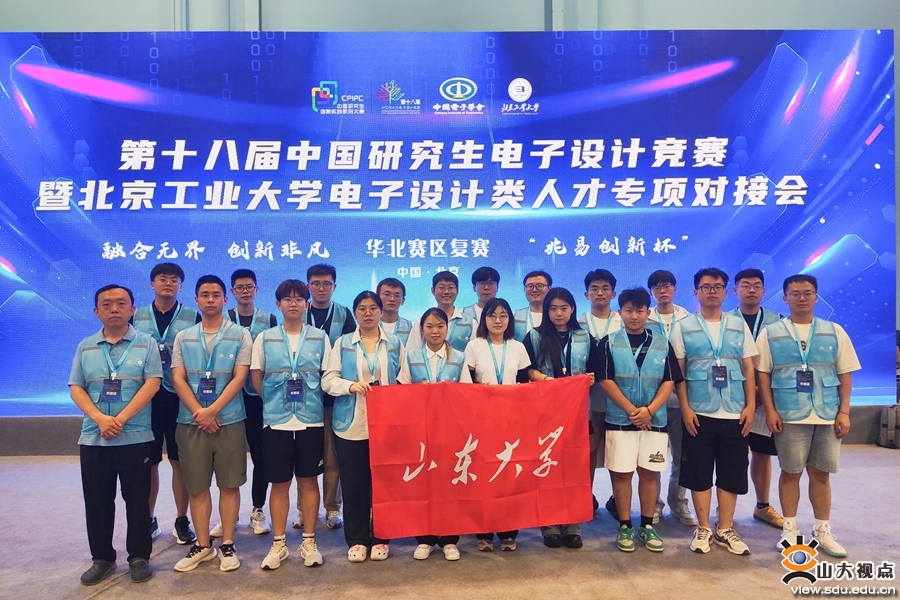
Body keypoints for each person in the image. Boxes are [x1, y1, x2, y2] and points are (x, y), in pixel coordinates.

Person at [757, 275, 860, 558]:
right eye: (795, 293)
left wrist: (844, 411)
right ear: (785, 298)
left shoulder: (834, 331)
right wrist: (771, 410)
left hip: (827, 414)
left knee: (821, 474)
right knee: (790, 473)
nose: (801, 298)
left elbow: (845, 372)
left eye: (807, 293)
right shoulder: (771, 333)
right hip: (789, 413)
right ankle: (790, 529)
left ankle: (822, 530)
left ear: (816, 297)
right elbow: (763, 374)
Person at [70, 285, 162, 586]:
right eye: (107, 304)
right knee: (97, 501)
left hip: (135, 437)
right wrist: (100, 419)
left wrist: (119, 419)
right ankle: (102, 558)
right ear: (96, 311)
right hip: (94, 437)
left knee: (137, 501)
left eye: (121, 303)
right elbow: (76, 387)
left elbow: (152, 384)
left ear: (132, 310)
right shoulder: (85, 346)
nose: (114, 309)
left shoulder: (146, 343)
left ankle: (139, 557)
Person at [670, 268, 757, 556]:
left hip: (734, 411)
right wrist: (685, 408)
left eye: (718, 287)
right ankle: (704, 527)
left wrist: (750, 406)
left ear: (726, 292)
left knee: (731, 472)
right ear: (696, 292)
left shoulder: (738, 325)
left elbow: (748, 368)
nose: (712, 291)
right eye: (706, 287)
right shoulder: (683, 327)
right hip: (699, 411)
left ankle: (725, 528)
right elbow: (679, 372)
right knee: (699, 472)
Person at [171, 275, 253, 572]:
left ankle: (227, 544)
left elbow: (240, 377)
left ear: (225, 299)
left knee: (229, 484)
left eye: (216, 295)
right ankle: (203, 545)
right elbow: (178, 378)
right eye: (204, 295)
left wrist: (213, 410)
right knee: (197, 487)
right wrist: (199, 412)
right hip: (191, 422)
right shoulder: (183, 336)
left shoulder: (241, 334)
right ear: (196, 300)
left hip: (229, 420)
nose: (210, 299)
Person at [250, 280, 330, 570]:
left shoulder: (320, 338)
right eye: (287, 299)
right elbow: (256, 377)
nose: (293, 303)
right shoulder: (265, 338)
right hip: (276, 421)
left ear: (306, 304)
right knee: (279, 483)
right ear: (278, 304)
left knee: (309, 481)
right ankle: (279, 543)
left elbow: (327, 375)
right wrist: (275, 402)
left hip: (311, 420)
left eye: (299, 299)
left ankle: (309, 541)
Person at [597, 288, 683, 553]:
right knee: (621, 474)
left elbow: (669, 380)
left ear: (648, 312)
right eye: (628, 310)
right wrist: (634, 411)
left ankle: (646, 526)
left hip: (653, 421)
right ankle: (625, 526)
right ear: (620, 312)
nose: (634, 316)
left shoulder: (661, 342)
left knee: (649, 473)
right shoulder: (608, 342)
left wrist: (649, 410)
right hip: (619, 420)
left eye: (639, 310)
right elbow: (605, 380)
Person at [322, 291, 406, 562]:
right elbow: (328, 380)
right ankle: (357, 539)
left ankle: (382, 537)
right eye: (361, 308)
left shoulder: (395, 343)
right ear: (355, 313)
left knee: (384, 484)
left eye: (372, 308)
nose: (367, 313)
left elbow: (404, 380)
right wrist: (349, 386)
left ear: (381, 311)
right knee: (353, 483)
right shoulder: (343, 343)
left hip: (387, 425)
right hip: (351, 423)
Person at [524, 287, 601, 550]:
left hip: (578, 413)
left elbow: (595, 371)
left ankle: (572, 524)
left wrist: (589, 378)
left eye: (564, 308)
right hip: (545, 414)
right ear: (546, 311)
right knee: (548, 468)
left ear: (572, 309)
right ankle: (549, 524)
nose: (559, 313)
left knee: (574, 467)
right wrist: (548, 381)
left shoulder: (585, 337)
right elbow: (527, 370)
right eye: (553, 308)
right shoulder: (534, 336)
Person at [398, 307, 473, 561]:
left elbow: (467, 393)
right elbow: (402, 390)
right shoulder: (411, 356)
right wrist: (420, 393)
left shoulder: (459, 357)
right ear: (422, 329)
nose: (435, 331)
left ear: (447, 328)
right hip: (420, 430)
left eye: (440, 326)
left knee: (450, 484)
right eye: (429, 326)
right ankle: (425, 539)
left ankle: (449, 540)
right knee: (424, 484)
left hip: (450, 430)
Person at [132, 262, 198, 545]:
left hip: (179, 398)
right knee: (148, 463)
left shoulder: (192, 316)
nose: (168, 283)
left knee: (180, 461)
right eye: (162, 279)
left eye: (174, 280)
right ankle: (148, 519)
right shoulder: (136, 316)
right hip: (145, 399)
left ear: (180, 286)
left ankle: (182, 520)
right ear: (152, 284)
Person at [209, 269, 277, 539]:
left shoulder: (269, 319)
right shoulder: (222, 319)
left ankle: (257, 509)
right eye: (240, 287)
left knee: (262, 456)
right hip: (228, 398)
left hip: (258, 397)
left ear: (256, 290)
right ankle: (229, 515)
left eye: (250, 287)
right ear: (232, 292)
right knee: (228, 457)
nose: (245, 291)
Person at [464, 297, 533, 552]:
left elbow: (525, 382)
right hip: (482, 421)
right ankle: (483, 532)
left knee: (508, 476)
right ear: (484, 320)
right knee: (483, 475)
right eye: (492, 315)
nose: (497, 320)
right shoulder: (474, 346)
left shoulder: (518, 347)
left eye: (503, 315)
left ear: (510, 320)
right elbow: (466, 384)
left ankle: (508, 531)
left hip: (512, 422)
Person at [295, 264, 355, 530]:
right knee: (303, 458)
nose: (321, 288)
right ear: (308, 286)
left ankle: (332, 508)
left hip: (334, 399)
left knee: (332, 458)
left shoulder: (344, 314)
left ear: (334, 286)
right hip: (304, 398)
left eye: (326, 283)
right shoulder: (299, 311)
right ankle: (302, 509)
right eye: (316, 283)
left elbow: (351, 351)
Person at [730, 268, 784, 529]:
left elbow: (782, 360)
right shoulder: (724, 320)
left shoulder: (778, 322)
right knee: (729, 454)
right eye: (745, 285)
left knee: (762, 453)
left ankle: (762, 506)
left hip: (765, 398)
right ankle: (724, 510)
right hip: (730, 397)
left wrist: (761, 392)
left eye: (756, 285)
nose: (751, 290)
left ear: (763, 290)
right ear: (735, 290)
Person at [644, 270, 697, 527]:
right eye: (657, 287)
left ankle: (678, 502)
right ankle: (653, 504)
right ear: (651, 292)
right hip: (652, 399)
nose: (662, 290)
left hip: (681, 398)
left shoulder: (689, 319)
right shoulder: (644, 319)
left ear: (675, 288)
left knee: (683, 455)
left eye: (666, 285)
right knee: (653, 455)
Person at [576, 269, 623, 513]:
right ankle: (586, 496)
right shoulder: (577, 323)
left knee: (618, 450)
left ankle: (618, 500)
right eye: (594, 288)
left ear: (613, 293)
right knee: (589, 449)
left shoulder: (623, 321)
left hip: (620, 397)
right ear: (586, 294)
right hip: (588, 398)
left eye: (605, 288)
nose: (600, 293)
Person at [406, 271, 476, 353]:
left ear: (457, 291)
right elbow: (411, 353)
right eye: (441, 288)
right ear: (433, 291)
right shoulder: (422, 322)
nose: (446, 292)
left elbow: (475, 354)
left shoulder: (471, 323)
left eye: (450, 288)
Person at [514, 270, 552, 342]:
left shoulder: (557, 316)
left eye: (539, 286)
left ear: (550, 288)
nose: (534, 290)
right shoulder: (514, 316)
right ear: (524, 289)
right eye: (530, 286)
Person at [377, 277, 412, 345]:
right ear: (377, 298)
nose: (392, 299)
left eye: (397, 295)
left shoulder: (410, 327)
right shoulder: (369, 325)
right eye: (387, 294)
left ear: (403, 301)